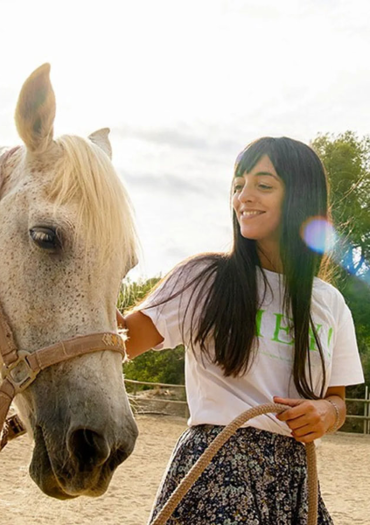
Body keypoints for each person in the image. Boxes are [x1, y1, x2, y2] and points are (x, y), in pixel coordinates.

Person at [120, 136, 365, 524]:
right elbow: (121, 343)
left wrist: (324, 412)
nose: (243, 197)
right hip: (215, 469)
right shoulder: (204, 278)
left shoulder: (329, 303)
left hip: (295, 479)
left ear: (301, 197)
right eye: (238, 186)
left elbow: (337, 401)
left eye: (263, 185)